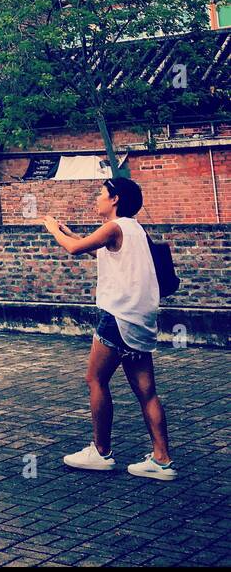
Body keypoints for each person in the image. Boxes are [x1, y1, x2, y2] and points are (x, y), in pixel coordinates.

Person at [42, 177, 175, 481]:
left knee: (95, 379)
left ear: (115, 199)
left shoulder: (115, 226)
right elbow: (100, 251)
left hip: (116, 318)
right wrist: (70, 233)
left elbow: (75, 249)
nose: (97, 199)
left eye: (101, 194)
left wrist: (53, 230)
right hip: (140, 320)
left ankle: (101, 452)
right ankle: (162, 460)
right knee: (147, 392)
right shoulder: (134, 229)